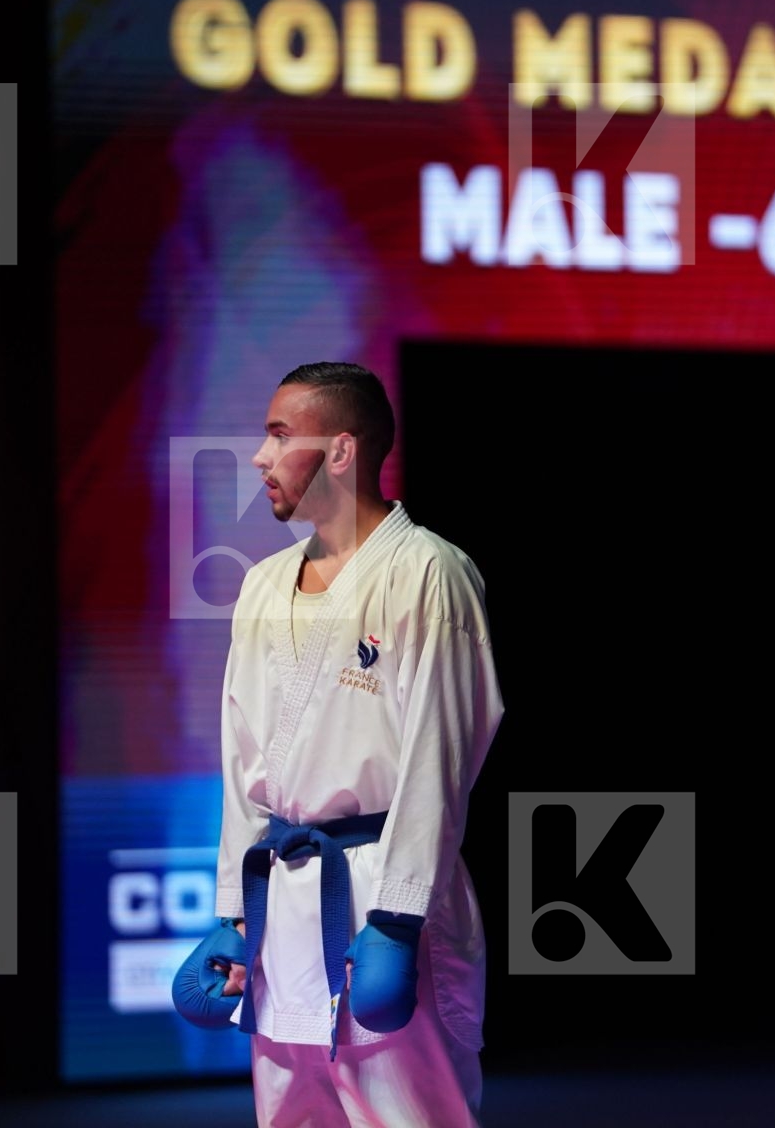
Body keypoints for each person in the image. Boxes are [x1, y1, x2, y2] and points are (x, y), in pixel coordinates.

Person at [211, 361, 503, 1127]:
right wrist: (234, 920)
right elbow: (245, 764)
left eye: (279, 435)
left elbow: (440, 761)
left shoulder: (426, 573)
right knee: (291, 1117)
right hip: (285, 898)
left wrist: (399, 919)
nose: (259, 457)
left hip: (380, 895)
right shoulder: (264, 585)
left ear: (341, 450)